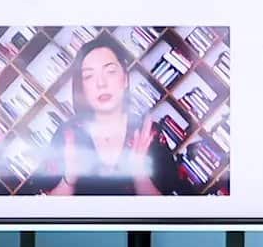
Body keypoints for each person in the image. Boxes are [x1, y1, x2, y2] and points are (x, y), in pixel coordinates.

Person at [37, 32, 181, 196]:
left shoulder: (148, 134)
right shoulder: (68, 135)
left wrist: (140, 175)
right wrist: (69, 178)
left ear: (125, 79)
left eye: (110, 71)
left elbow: (164, 208)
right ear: (82, 88)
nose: (101, 83)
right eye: (89, 76)